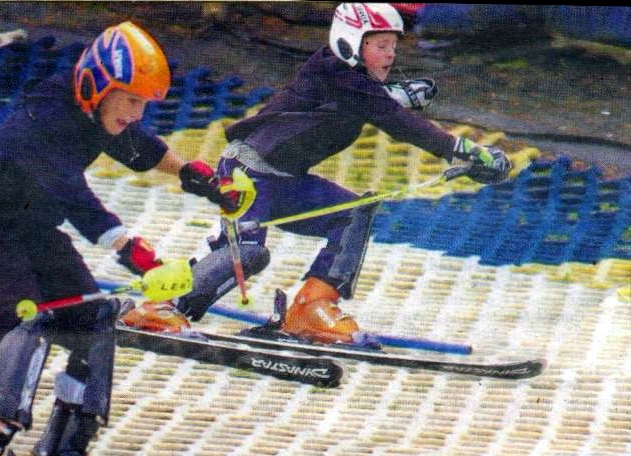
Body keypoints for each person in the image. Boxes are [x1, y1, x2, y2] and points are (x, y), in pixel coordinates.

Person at [0, 21, 235, 456]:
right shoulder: (45, 118)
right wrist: (136, 255)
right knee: (26, 323)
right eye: (132, 100)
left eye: (144, 103)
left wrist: (196, 175)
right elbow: (75, 198)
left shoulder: (89, 106)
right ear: (99, 87)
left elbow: (136, 146)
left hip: (33, 229)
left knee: (90, 318)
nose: (137, 113)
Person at [121, 2, 511, 344]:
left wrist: (395, 94)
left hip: (284, 179)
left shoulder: (347, 79)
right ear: (349, 41)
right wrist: (463, 150)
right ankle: (162, 307)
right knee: (247, 253)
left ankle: (312, 305)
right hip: (248, 175)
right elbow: (391, 117)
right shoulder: (336, 71)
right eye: (380, 45)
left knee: (354, 211)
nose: (390, 54)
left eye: (393, 46)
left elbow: (359, 101)